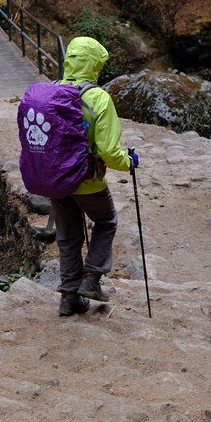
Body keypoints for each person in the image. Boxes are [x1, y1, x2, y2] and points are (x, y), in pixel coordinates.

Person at [50, 36, 138, 317]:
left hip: (56, 179)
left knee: (68, 235)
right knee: (106, 220)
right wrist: (129, 163)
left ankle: (68, 298)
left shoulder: (51, 92)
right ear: (95, 65)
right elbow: (110, 152)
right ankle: (91, 280)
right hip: (88, 181)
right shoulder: (98, 97)